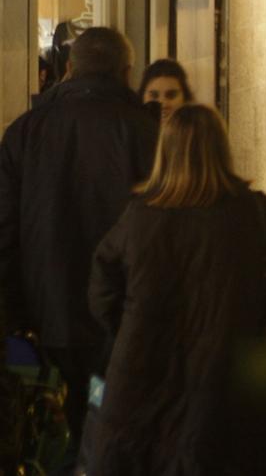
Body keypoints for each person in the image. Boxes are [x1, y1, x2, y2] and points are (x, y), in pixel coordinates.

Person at [88, 105, 266, 476]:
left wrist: (128, 331)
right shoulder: (260, 215)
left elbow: (102, 288)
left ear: (164, 152)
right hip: (236, 394)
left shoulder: (138, 217)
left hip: (140, 388)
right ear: (222, 149)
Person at [0, 25, 158, 471]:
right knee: (111, 423)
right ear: (128, 72)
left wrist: (13, 313)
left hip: (48, 320)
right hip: (122, 320)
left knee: (65, 428)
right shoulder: (146, 132)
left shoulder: (24, 132)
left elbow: (5, 230)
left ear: (69, 69)